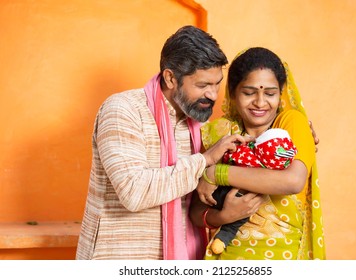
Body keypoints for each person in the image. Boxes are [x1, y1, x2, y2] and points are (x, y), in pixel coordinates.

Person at [75, 25, 261, 260]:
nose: (213, 95)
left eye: (217, 84)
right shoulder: (124, 110)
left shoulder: (200, 124)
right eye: (203, 85)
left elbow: (246, 154)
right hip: (119, 257)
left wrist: (293, 133)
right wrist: (204, 161)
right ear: (171, 78)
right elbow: (134, 192)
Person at [190, 47, 326, 260]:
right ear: (233, 93)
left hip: (284, 257)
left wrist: (217, 173)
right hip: (227, 258)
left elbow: (293, 181)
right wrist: (224, 216)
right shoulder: (220, 133)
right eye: (249, 93)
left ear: (280, 93)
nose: (261, 102)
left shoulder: (291, 123)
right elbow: (197, 213)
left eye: (270, 93)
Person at [207, 127, 297, 254]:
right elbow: (195, 214)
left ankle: (222, 238)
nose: (259, 105)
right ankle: (223, 237)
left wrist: (214, 173)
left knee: (236, 220)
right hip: (226, 198)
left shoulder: (293, 121)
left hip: (244, 204)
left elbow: (295, 183)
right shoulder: (222, 128)